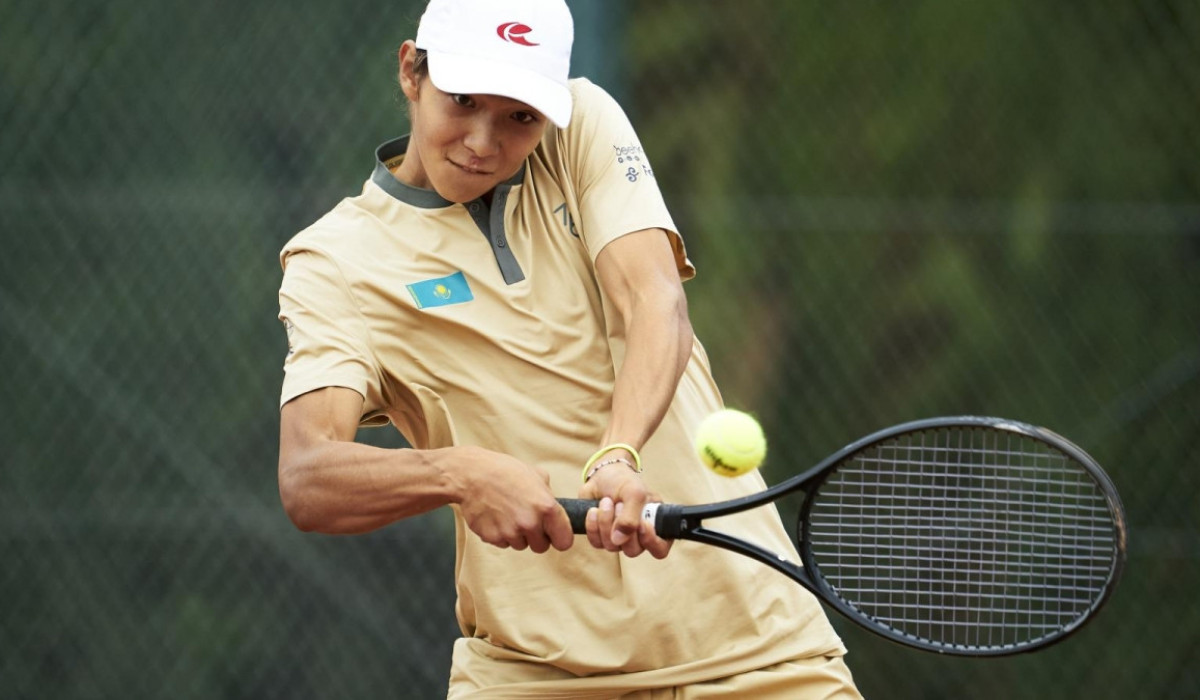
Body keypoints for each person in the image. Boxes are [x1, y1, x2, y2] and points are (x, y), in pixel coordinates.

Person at [276, 0, 862, 697]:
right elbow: (309, 475)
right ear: (411, 71)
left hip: (759, 652)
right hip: (534, 674)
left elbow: (655, 302)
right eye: (463, 101)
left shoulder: (579, 125)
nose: (484, 141)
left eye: (520, 116)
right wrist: (459, 473)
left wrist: (618, 454)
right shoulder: (335, 261)